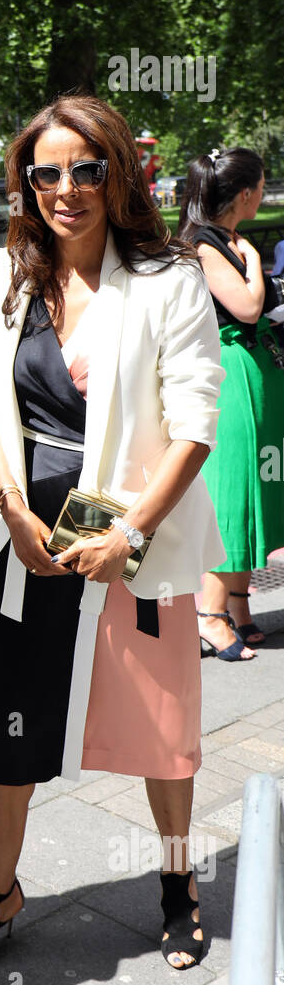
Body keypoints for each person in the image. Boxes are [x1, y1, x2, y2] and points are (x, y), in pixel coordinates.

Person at [0, 95, 225, 979]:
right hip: (31, 536)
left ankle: (177, 884)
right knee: (13, 719)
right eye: (45, 172)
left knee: (161, 721)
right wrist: (9, 508)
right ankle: (0, 889)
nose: (65, 189)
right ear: (24, 184)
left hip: (132, 542)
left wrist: (130, 536)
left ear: (116, 174)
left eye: (85, 169)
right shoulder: (10, 273)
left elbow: (194, 426)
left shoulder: (167, 279)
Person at [179, 147, 284, 658]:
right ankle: (210, 614)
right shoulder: (208, 244)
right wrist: (254, 266)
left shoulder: (222, 239)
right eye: (261, 187)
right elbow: (246, 305)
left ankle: (238, 604)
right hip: (230, 374)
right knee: (234, 495)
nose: (263, 195)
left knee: (255, 492)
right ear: (245, 194)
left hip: (250, 372)